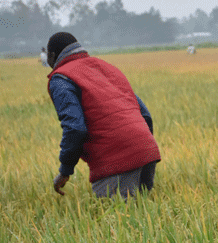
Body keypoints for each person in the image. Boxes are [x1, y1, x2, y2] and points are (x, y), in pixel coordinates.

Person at [45, 32, 161, 199]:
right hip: (147, 151)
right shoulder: (106, 67)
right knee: (141, 218)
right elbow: (144, 114)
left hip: (117, 160)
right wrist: (141, 147)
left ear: (51, 56)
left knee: (116, 221)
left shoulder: (61, 78)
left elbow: (75, 128)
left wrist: (65, 170)